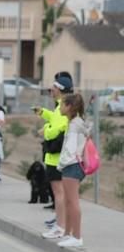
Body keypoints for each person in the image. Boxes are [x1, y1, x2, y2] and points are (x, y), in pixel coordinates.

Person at [37, 75, 72, 240]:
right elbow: (56, 122)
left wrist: (46, 131)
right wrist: (44, 114)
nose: (51, 90)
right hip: (57, 157)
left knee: (59, 193)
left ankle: (60, 227)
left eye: (54, 88)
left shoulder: (62, 108)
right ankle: (63, 225)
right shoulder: (61, 107)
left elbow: (58, 130)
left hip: (56, 157)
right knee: (61, 193)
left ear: (60, 90)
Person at [56, 94, 89, 248]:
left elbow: (70, 150)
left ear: (69, 107)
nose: (60, 107)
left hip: (72, 165)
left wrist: (62, 163)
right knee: (69, 201)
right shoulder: (75, 123)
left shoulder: (75, 125)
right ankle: (69, 234)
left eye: (62, 104)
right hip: (73, 165)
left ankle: (77, 237)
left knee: (73, 202)